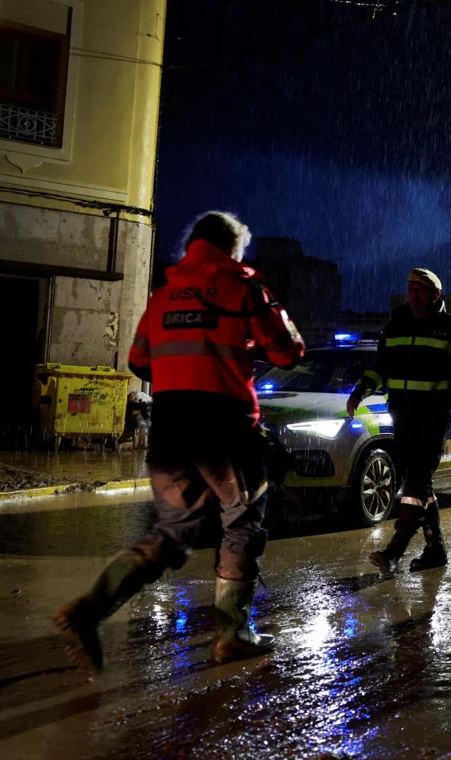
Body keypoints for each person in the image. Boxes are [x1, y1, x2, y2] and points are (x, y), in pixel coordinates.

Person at [53, 211, 305, 677]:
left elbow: (138, 360)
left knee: (172, 535)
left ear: (193, 245)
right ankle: (232, 635)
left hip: (171, 429)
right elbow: (289, 350)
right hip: (225, 425)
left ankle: (89, 609)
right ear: (233, 248)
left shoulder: (163, 294)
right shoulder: (244, 286)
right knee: (243, 522)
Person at [347, 268, 451, 576]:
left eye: (420, 290)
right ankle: (436, 550)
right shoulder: (397, 325)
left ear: (436, 295)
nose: (413, 296)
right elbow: (380, 367)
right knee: (421, 484)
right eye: (410, 289)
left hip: (434, 419)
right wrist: (358, 393)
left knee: (416, 482)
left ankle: (394, 551)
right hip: (403, 417)